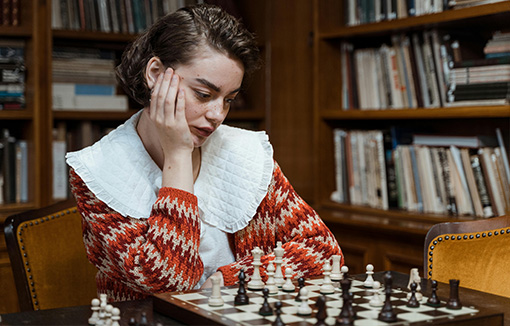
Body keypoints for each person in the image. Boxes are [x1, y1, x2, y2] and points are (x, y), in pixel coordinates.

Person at [66, 3, 342, 302]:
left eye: (228, 99)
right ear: (156, 74)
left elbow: (324, 253)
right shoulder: (96, 170)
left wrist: (227, 280)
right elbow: (171, 284)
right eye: (204, 94)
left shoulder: (243, 153)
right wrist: (178, 156)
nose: (217, 114)